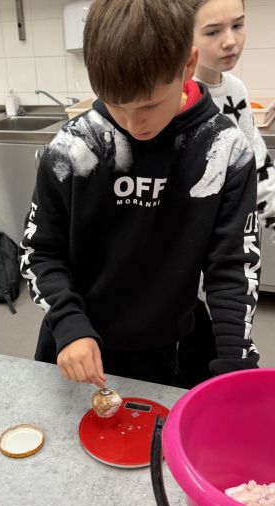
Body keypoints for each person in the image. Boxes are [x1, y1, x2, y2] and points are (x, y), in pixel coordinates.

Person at [19, 0, 260, 389]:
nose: (133, 124)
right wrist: (67, 323)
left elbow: (231, 267)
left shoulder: (225, 150)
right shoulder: (74, 146)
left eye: (150, 104)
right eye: (117, 105)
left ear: (188, 64)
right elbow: (39, 251)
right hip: (76, 345)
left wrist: (235, 363)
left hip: (168, 350)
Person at [177, 0, 275, 388]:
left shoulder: (235, 91)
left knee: (232, 355)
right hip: (193, 268)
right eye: (213, 31)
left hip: (235, 254)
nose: (230, 41)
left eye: (238, 25)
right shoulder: (175, 98)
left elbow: (258, 164)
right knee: (194, 361)